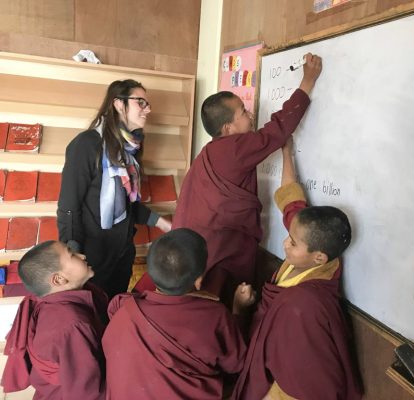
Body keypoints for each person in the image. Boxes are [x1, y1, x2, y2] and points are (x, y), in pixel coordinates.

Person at [135, 53, 323, 304]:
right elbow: (276, 131)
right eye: (243, 112)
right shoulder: (233, 149)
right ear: (228, 128)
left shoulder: (212, 150)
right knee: (219, 299)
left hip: (195, 243)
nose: (250, 115)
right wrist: (307, 82)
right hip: (216, 247)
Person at [232, 139, 363, 400]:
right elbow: (291, 202)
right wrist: (287, 151)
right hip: (261, 348)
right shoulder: (312, 247)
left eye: (293, 243)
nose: (285, 243)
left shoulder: (304, 307)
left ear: (318, 258)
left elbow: (304, 380)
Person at [102, 228, 254, 400]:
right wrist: (238, 309)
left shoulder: (125, 308)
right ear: (198, 281)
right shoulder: (214, 317)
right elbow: (237, 363)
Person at [57, 79, 171, 299]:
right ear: (119, 104)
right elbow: (68, 207)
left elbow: (128, 205)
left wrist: (164, 224)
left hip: (121, 253)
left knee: (113, 310)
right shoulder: (86, 145)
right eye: (141, 102)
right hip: (91, 258)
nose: (148, 109)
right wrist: (73, 256)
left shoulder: (129, 148)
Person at [1, 240, 107, 400]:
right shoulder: (72, 325)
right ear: (58, 280)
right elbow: (86, 392)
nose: (82, 256)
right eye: (72, 255)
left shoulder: (51, 299)